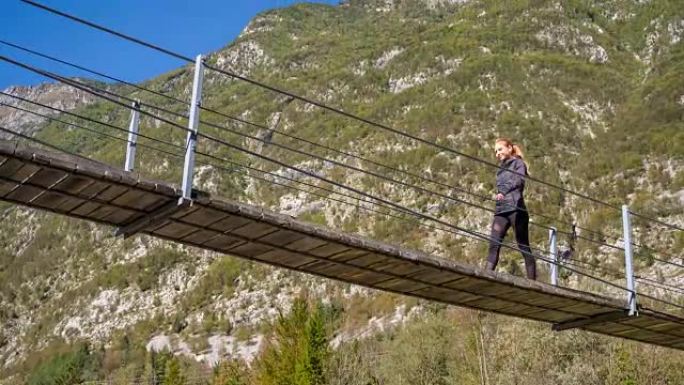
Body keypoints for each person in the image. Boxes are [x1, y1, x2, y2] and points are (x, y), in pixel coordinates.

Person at [485, 138, 536, 280]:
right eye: (495, 151)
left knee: (523, 245)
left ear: (509, 148)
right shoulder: (500, 169)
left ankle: (532, 283)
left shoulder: (518, 163)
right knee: (494, 244)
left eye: (500, 149)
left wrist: (504, 192)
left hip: (516, 207)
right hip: (501, 210)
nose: (497, 153)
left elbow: (519, 180)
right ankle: (486, 276)